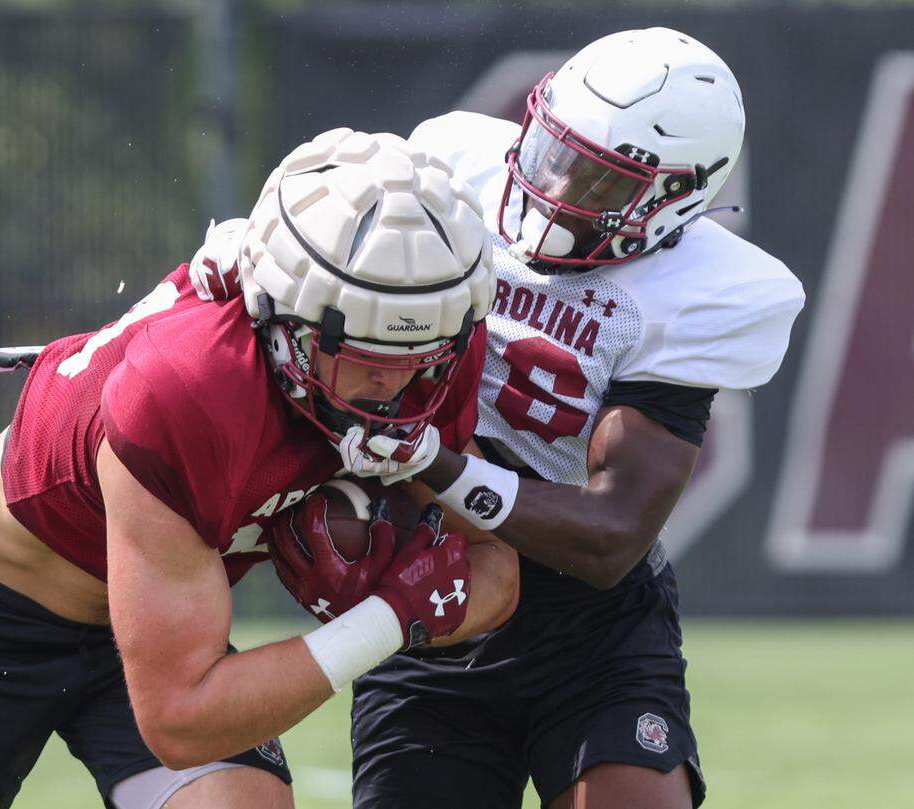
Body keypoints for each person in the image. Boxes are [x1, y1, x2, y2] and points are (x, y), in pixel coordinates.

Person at [0, 128, 517, 809]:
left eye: (422, 351)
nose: (395, 384)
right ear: (287, 323)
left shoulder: (430, 350)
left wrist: (418, 605)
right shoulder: (191, 385)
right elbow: (179, 718)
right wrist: (391, 616)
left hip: (162, 615)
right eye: (362, 349)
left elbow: (497, 567)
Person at [254, 28, 804, 809]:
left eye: (600, 181)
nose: (556, 186)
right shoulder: (456, 166)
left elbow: (611, 534)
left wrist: (433, 461)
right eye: (553, 150)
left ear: (676, 195)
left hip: (588, 628)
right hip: (430, 591)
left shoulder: (703, 292)